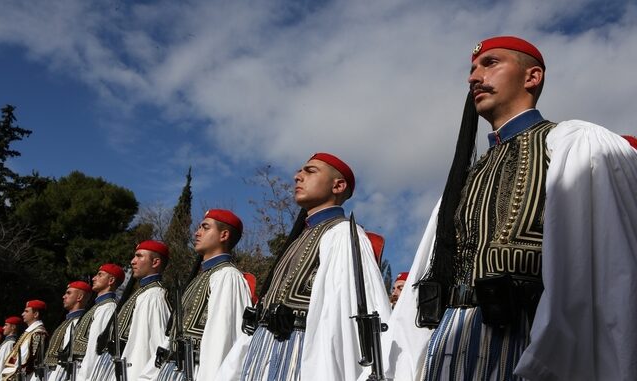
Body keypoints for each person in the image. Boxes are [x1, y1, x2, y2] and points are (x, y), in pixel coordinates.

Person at [384, 36, 637, 381]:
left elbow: (610, 269)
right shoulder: (466, 177)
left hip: (527, 344)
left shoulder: (574, 142)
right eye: (472, 69)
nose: (473, 77)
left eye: (490, 64)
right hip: (447, 343)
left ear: (532, 77)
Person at [219, 152, 391, 381]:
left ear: (338, 186)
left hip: (300, 357)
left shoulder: (343, 235)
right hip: (260, 355)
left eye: (310, 171)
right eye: (300, 171)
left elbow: (350, 321)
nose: (297, 176)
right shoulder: (298, 240)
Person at [151, 209, 252, 381]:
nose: (197, 233)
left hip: (197, 373)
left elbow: (222, 340)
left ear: (224, 235)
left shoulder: (227, 276)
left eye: (205, 227)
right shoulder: (202, 277)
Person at [91, 241, 171, 381]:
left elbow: (154, 347)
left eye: (139, 256)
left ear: (155, 262)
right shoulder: (141, 295)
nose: (133, 261)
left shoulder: (154, 296)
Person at [73, 263, 125, 381]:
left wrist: (84, 378)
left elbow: (95, 349)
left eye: (100, 275)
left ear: (111, 280)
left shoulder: (108, 308)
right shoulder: (98, 307)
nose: (93, 278)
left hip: (88, 373)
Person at [36, 281, 91, 381]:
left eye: (69, 293)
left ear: (79, 297)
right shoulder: (66, 322)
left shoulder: (79, 323)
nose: (64, 296)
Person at [1, 300, 49, 381]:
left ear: (36, 314)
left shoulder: (38, 333)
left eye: (26, 311)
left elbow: (28, 363)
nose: (22, 314)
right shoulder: (30, 332)